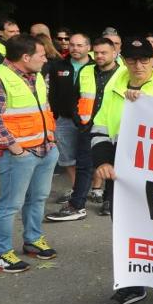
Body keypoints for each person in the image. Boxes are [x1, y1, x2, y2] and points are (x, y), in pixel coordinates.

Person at [94, 37, 153, 304]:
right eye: (132, 60)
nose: (138, 65)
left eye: (144, 59)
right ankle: (131, 286)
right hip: (121, 173)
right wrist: (103, 160)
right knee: (125, 231)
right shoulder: (115, 87)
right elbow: (101, 125)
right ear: (125, 60)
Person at [0, 35, 59, 272]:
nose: (46, 58)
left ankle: (33, 240)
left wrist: (51, 142)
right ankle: (0, 255)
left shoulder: (36, 76)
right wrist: (16, 149)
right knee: (10, 205)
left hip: (45, 149)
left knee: (38, 198)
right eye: (41, 55)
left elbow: (43, 110)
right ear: (26, 57)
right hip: (19, 155)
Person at [47, 37, 120, 222]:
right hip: (87, 126)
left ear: (115, 53)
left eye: (104, 52)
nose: (100, 56)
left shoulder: (124, 73)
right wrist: (79, 120)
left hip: (114, 127)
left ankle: (110, 202)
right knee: (83, 166)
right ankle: (77, 205)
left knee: (112, 166)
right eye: (97, 53)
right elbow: (76, 96)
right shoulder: (87, 70)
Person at [45, 33, 92, 196]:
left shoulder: (96, 67)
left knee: (91, 157)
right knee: (67, 157)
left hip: (89, 121)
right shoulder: (58, 66)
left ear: (88, 47)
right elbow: (52, 93)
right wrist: (54, 115)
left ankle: (96, 190)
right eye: (72, 45)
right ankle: (76, 189)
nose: (75, 48)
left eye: (79, 45)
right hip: (63, 119)